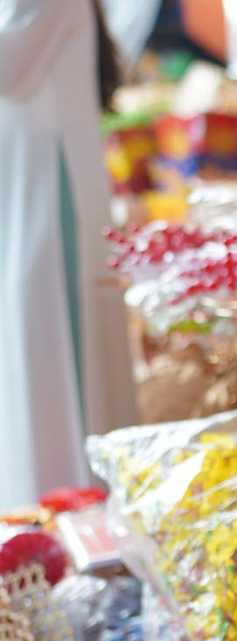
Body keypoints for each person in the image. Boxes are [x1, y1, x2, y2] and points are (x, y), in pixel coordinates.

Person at [0, 0, 137, 508]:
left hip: (48, 188)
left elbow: (8, 68)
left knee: (51, 335)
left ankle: (68, 502)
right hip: (26, 182)